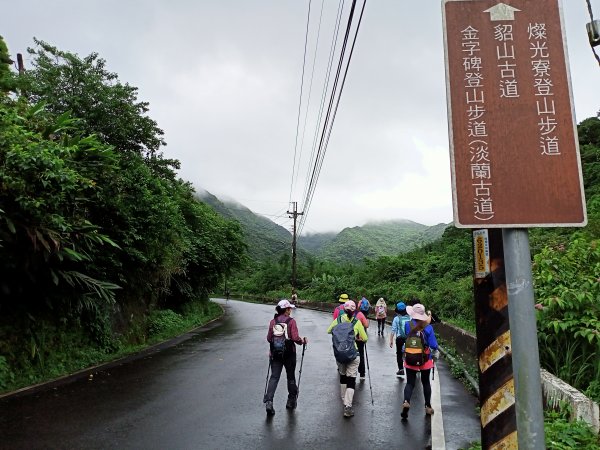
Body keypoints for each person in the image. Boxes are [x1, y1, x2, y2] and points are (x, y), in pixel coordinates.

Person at [264, 299, 308, 416]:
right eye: (289, 309)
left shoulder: (273, 321)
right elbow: (295, 337)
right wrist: (302, 341)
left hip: (275, 353)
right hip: (289, 353)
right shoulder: (291, 322)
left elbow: (269, 338)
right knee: (290, 376)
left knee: (274, 377)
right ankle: (291, 400)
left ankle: (269, 401)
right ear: (286, 310)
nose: (290, 311)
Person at [327, 300, 368, 418]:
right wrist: (357, 338)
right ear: (355, 310)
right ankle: (348, 406)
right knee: (351, 379)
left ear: (344, 309)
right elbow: (365, 338)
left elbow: (329, 330)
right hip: (353, 354)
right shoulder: (356, 322)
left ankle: (344, 400)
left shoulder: (338, 320)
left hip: (340, 353)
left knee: (343, 377)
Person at [401, 303, 439, 419]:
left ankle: (406, 401)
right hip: (425, 358)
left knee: (410, 383)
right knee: (425, 382)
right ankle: (427, 407)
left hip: (410, 356)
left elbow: (406, 337)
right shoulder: (428, 327)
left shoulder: (408, 324)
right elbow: (434, 345)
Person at [333, 295, 369, 379]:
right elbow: (366, 325)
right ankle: (362, 373)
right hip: (359, 339)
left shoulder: (342, 315)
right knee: (361, 355)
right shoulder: (360, 314)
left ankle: (345, 370)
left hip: (345, 338)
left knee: (346, 352)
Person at [389, 301, 411, 377]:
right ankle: (411, 367)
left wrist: (391, 340)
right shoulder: (410, 317)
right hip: (409, 338)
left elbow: (393, 330)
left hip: (399, 338)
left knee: (399, 353)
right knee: (410, 352)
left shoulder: (396, 318)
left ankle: (401, 369)